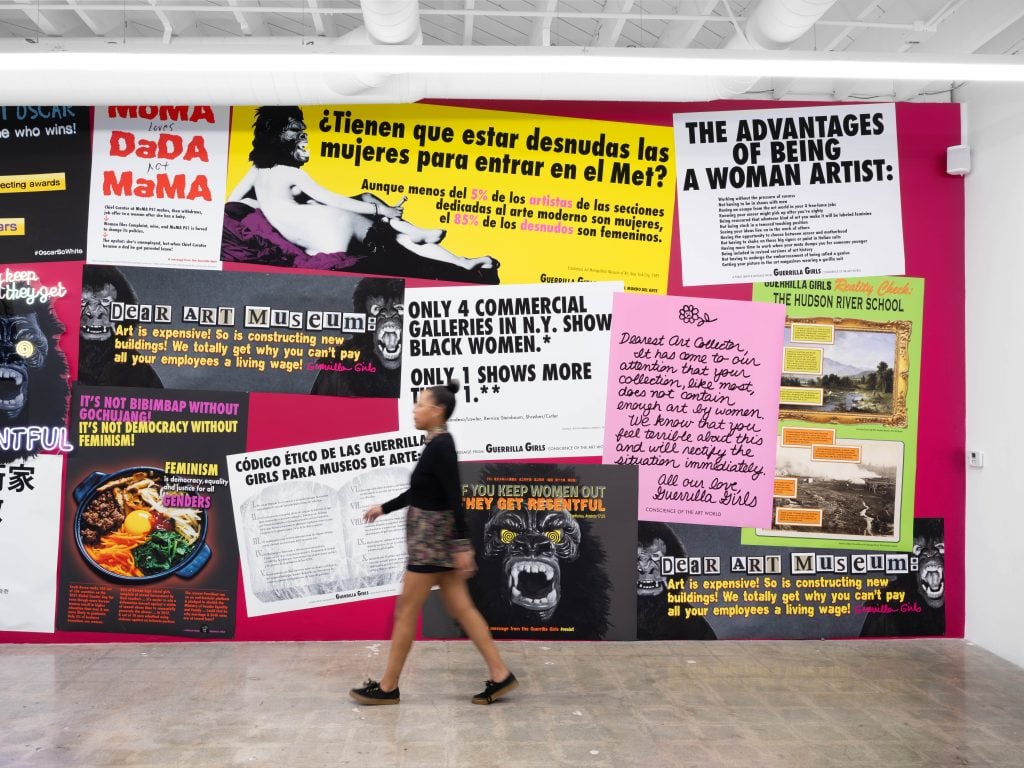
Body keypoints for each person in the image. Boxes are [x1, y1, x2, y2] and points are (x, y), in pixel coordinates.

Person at [350, 380, 518, 706]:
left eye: (419, 404)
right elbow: (421, 491)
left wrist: (463, 544)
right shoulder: (436, 445)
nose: (414, 410)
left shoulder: (441, 447)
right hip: (435, 541)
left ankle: (388, 688)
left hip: (431, 542)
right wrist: (383, 508)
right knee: (463, 609)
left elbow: (455, 496)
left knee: (406, 612)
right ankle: (500, 675)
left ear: (437, 411)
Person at [227, 107, 498, 272]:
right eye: (297, 130)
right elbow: (333, 199)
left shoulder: (257, 170)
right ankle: (421, 237)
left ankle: (454, 256)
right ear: (276, 136)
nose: (304, 135)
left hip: (317, 244)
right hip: (336, 224)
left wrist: (269, 208)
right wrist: (384, 209)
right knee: (395, 237)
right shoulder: (291, 172)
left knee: (373, 206)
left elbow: (233, 202)